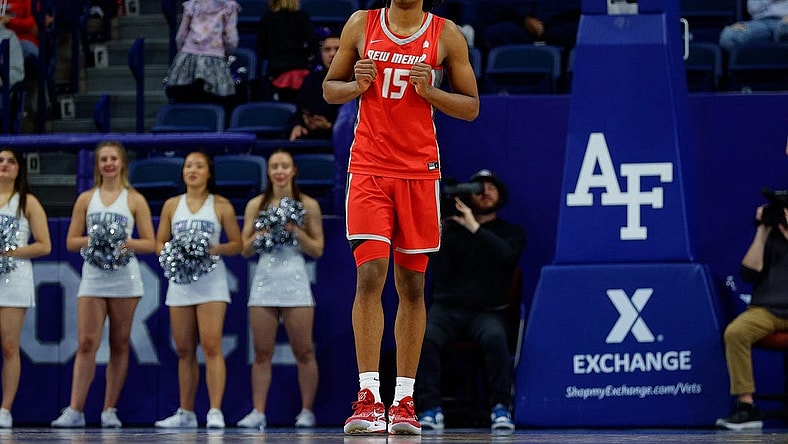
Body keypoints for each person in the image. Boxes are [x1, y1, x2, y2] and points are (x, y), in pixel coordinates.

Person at [322, 0, 479, 435]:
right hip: (370, 167)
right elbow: (329, 89)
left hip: (418, 171)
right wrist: (354, 86)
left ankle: (405, 400)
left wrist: (432, 92)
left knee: (411, 284)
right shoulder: (361, 23)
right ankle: (369, 396)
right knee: (370, 274)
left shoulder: (445, 34)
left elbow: (470, 107)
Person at [52, 141, 156, 428]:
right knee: (87, 343)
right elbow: (71, 241)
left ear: (122, 163)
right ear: (97, 165)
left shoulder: (134, 199)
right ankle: (75, 410)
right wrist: (95, 240)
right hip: (94, 277)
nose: (108, 163)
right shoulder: (86, 198)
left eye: (113, 158)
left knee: (120, 343)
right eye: (103, 159)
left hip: (125, 278)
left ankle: (109, 409)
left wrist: (124, 242)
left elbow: (151, 243)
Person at [416, 169, 525, 432]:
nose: (485, 192)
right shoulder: (452, 230)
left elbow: (508, 257)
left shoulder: (511, 232)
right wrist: (442, 230)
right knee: (424, 335)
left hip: (488, 312)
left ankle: (501, 408)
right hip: (448, 309)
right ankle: (428, 409)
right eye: (478, 188)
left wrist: (474, 227)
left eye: (491, 187)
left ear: (501, 194)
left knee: (495, 338)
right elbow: (439, 271)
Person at [236, 149, 325, 429]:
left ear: (293, 170)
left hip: (295, 279)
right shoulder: (256, 205)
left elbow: (318, 249)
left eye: (284, 166)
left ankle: (307, 411)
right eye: (274, 166)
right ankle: (258, 411)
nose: (279, 171)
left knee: (304, 351)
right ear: (269, 172)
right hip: (264, 279)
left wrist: (294, 229)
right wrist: (263, 233)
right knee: (262, 352)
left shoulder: (308, 205)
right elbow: (244, 249)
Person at [154, 151, 242, 429]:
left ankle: (215, 410)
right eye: (188, 165)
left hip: (211, 281)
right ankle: (186, 412)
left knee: (212, 345)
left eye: (199, 166)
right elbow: (159, 243)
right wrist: (175, 255)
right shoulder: (171, 205)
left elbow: (237, 244)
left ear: (209, 173)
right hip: (180, 281)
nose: (192, 170)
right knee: (183, 349)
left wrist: (212, 250)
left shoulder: (221, 205)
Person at [715, 202, 788, 430]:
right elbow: (748, 272)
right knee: (736, 332)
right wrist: (762, 230)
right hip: (765, 309)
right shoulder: (768, 236)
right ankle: (747, 407)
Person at [0, 148, 51, 428]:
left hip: (14, 277)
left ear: (19, 169)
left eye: (11, 161)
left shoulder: (27, 202)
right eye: (0, 161)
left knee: (9, 346)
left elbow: (45, 245)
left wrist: (9, 253)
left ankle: (5, 409)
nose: (5, 165)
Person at [164, 0, 240, 115]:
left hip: (188, 57)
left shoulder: (192, 4)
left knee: (186, 103)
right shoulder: (229, 6)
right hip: (215, 59)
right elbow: (232, 40)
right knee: (215, 103)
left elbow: (180, 37)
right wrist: (226, 53)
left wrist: (183, 54)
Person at [255, 0, 319, 103]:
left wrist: (274, 58)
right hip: (300, 69)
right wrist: (306, 55)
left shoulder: (267, 18)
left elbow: (261, 49)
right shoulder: (302, 17)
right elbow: (313, 44)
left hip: (277, 71)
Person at [288, 30, 341, 141]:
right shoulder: (311, 80)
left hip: (344, 141)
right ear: (321, 54)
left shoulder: (358, 82)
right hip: (312, 137)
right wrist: (297, 125)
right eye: (327, 50)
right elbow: (299, 111)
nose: (332, 54)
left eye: (337, 49)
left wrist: (330, 126)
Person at [719, 0, 788, 52]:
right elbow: (753, 9)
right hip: (761, 23)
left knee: (785, 29)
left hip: (785, 19)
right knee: (730, 36)